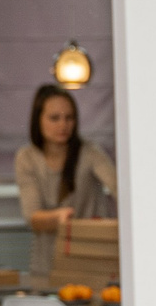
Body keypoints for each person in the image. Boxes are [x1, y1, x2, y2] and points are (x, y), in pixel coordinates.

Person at [15, 82, 117, 276]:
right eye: (54, 118)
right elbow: (32, 216)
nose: (63, 125)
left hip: (92, 262)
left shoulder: (90, 152)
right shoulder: (26, 157)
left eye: (69, 118)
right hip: (47, 265)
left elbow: (118, 187)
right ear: (38, 120)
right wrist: (59, 217)